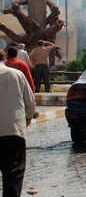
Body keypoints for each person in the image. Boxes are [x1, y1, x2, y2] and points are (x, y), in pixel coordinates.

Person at [0, 48, 36, 197]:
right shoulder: (16, 75)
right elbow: (30, 103)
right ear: (4, 58)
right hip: (13, 132)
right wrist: (27, 118)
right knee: (13, 177)